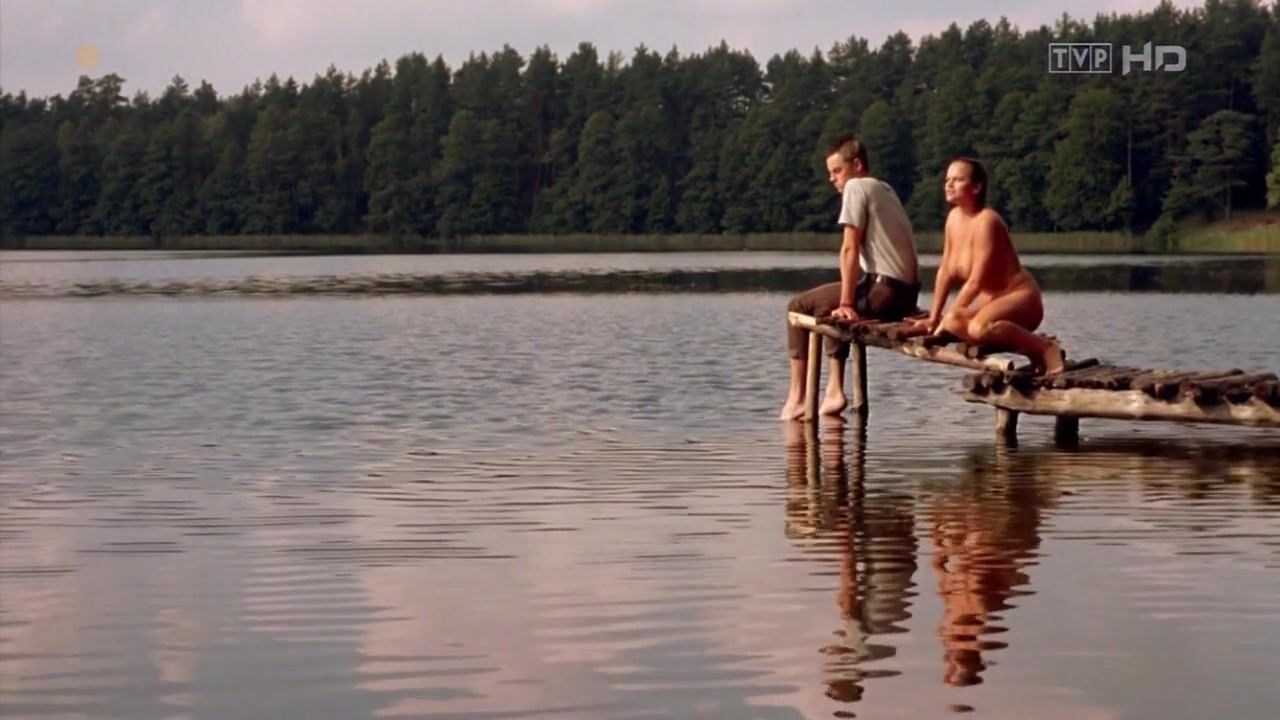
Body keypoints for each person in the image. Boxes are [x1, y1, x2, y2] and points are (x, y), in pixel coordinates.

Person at [780, 135, 921, 420]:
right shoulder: (883, 188)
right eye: (829, 173)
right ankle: (834, 389)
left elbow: (849, 248)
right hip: (904, 295)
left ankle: (798, 398)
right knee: (828, 304)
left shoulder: (856, 187)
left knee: (799, 306)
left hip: (885, 292)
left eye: (837, 171)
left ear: (856, 165)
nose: (832, 179)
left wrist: (846, 302)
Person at [913, 157, 1064, 375]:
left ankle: (1045, 348)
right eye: (947, 179)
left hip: (1019, 296)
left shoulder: (988, 221)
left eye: (957, 179)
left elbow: (976, 281)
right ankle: (1031, 348)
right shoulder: (953, 219)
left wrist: (948, 318)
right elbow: (945, 271)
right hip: (991, 300)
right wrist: (934, 319)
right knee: (954, 322)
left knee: (978, 328)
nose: (949, 185)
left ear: (976, 187)